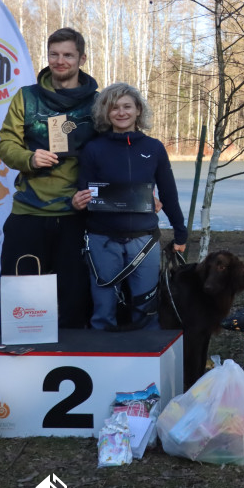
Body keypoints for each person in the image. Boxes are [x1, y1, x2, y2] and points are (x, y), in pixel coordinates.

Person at [0, 28, 99, 338]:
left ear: (81, 58)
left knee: (75, 298)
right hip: (29, 213)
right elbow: (5, 144)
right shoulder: (26, 97)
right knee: (19, 297)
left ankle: (71, 357)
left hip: (77, 215)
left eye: (68, 55)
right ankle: (9, 361)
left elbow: (115, 150)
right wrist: (29, 158)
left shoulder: (98, 102)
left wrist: (143, 191)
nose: (60, 61)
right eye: (54, 54)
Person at [71, 83, 186, 330]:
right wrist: (78, 201)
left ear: (138, 110)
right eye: (114, 108)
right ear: (105, 112)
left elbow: (169, 192)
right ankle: (104, 360)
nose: (121, 113)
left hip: (144, 242)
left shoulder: (154, 148)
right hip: (102, 240)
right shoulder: (93, 148)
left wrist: (180, 231)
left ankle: (146, 364)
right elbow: (84, 191)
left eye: (127, 106)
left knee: (147, 312)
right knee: (103, 311)